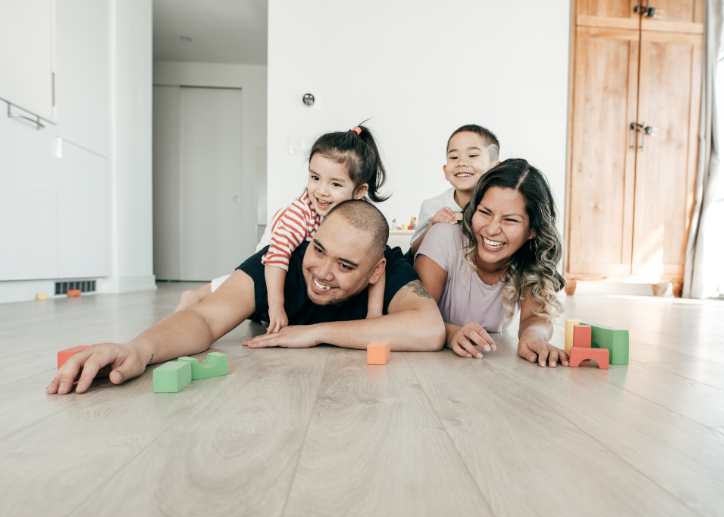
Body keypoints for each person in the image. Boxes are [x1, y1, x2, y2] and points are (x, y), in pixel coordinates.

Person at [48, 201, 445, 395]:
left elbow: (429, 329)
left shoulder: (389, 270)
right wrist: (139, 348)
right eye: (318, 250)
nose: (323, 272)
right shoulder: (280, 259)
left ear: (375, 270)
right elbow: (205, 319)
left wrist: (315, 332)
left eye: (345, 266)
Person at [175, 125, 388, 331]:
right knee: (254, 284)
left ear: (359, 191)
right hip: (275, 252)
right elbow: (276, 258)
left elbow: (374, 263)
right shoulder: (299, 214)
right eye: (315, 178)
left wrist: (374, 316)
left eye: (335, 184)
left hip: (302, 256)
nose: (321, 191)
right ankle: (198, 295)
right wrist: (275, 308)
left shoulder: (363, 220)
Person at [414, 159, 568, 366]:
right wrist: (451, 334)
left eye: (510, 220)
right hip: (426, 362)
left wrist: (533, 337)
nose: (492, 229)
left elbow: (534, 318)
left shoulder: (529, 259)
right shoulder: (444, 238)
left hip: (480, 366)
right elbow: (415, 316)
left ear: (532, 230)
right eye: (485, 212)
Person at [408, 124, 500, 256]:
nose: (461, 162)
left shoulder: (503, 205)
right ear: (445, 171)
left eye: (472, 155)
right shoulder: (432, 206)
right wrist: (432, 228)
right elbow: (413, 253)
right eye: (454, 157)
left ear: (495, 168)